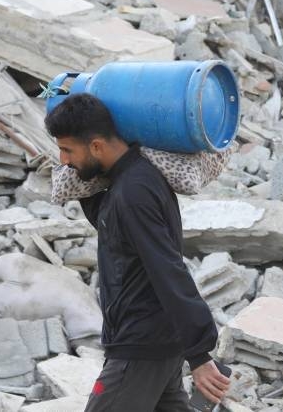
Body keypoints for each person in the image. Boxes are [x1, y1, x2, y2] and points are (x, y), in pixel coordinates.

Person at [45, 93, 230, 412]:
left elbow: (168, 270)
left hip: (141, 347)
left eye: (67, 150)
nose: (64, 161)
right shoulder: (128, 184)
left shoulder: (134, 192)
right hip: (157, 343)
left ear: (97, 146)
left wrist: (199, 354)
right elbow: (113, 228)